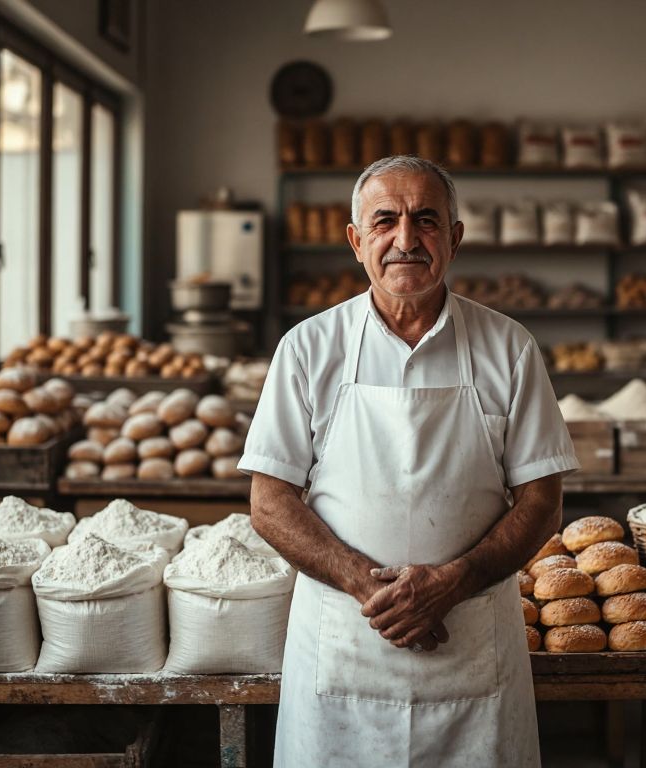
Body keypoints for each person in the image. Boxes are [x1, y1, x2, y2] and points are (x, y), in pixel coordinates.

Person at [240, 155, 578, 767]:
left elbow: (542, 501)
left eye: (425, 220)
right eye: (384, 221)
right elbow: (269, 502)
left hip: (470, 644)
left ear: (454, 237)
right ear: (355, 240)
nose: (405, 239)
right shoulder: (308, 348)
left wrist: (453, 584)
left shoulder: (510, 348)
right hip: (346, 643)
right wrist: (370, 589)